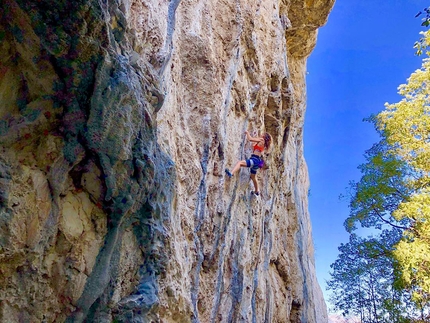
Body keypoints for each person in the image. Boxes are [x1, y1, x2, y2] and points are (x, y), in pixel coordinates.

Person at [225, 131, 272, 196]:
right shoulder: (263, 143)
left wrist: (247, 133)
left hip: (254, 159)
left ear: (264, 136)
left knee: (240, 163)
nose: (261, 134)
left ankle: (231, 173)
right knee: (253, 176)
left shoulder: (261, 139)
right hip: (257, 162)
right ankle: (256, 190)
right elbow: (253, 145)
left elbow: (250, 139)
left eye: (262, 134)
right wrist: (255, 137)